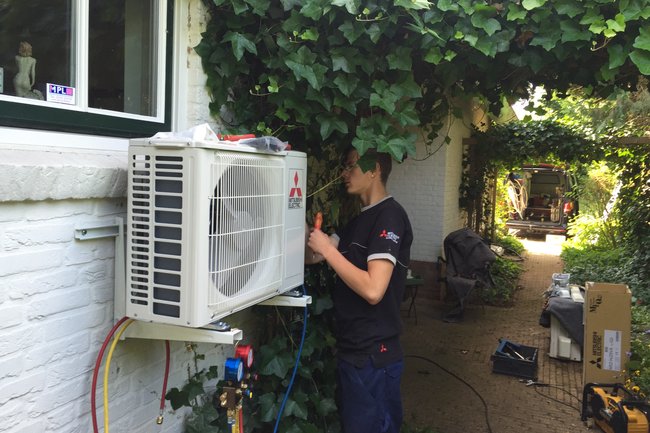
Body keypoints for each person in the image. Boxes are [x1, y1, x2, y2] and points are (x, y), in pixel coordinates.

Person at [307, 147, 413, 433]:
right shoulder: (357, 222)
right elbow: (315, 255)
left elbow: (373, 289)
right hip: (352, 351)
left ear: (374, 169)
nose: (344, 173)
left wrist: (328, 252)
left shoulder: (389, 217)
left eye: (351, 166)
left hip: (374, 357)